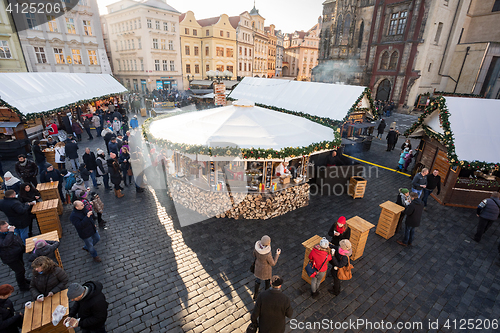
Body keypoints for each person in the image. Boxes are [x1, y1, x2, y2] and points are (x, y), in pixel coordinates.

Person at [0, 221, 31, 291]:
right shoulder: (7, 234)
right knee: (19, 271)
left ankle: (24, 280)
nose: (8, 227)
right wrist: (11, 232)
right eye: (5, 227)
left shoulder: (7, 232)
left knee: (22, 267)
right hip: (10, 258)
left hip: (17, 254)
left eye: (7, 225)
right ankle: (22, 286)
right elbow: (5, 243)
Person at [252, 235, 280, 300]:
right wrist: (277, 254)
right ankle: (266, 296)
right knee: (267, 282)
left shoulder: (257, 248)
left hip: (258, 268)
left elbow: (254, 254)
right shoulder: (267, 253)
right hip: (266, 270)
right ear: (268, 243)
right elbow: (273, 263)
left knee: (258, 280)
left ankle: (255, 295)